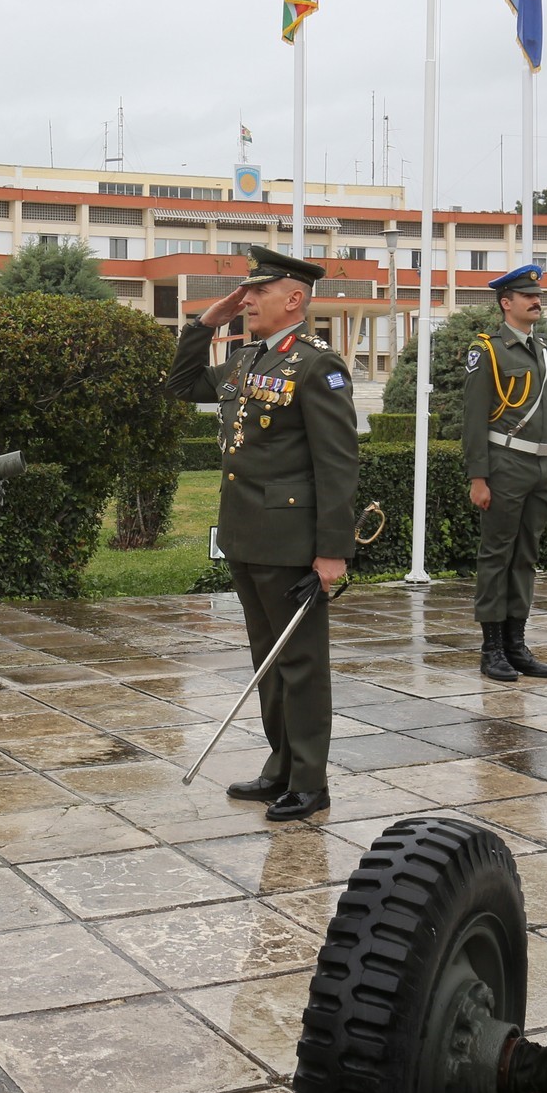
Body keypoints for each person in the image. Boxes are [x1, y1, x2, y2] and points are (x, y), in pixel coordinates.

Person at [165, 244, 359, 820]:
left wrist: (331, 553)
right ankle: (280, 766)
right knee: (267, 659)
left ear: (294, 298)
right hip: (246, 532)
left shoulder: (318, 365)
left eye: (259, 291)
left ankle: (310, 779)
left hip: (291, 538)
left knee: (299, 662)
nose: (247, 299)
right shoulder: (249, 360)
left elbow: (337, 463)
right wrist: (205, 325)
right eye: (246, 291)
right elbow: (181, 386)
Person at [463, 263, 547, 683]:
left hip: (543, 466)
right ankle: (492, 648)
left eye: (537, 296)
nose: (536, 301)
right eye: (527, 296)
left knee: (525, 557)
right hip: (505, 463)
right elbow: (473, 419)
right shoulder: (487, 349)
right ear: (507, 303)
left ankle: (516, 644)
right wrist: (478, 477)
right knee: (497, 555)